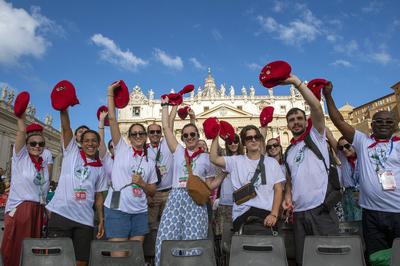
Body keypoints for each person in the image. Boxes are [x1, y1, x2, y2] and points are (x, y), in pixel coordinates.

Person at [323, 82, 400, 260]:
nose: (383, 125)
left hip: (398, 212)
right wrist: (328, 96)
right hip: (371, 213)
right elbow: (339, 121)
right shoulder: (362, 142)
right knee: (378, 258)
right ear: (371, 125)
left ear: (394, 125)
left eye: (389, 122)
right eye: (379, 121)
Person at [282, 75, 339, 265]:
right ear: (287, 125)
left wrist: (296, 83)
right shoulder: (289, 151)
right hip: (299, 214)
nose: (296, 122)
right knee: (304, 260)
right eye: (292, 120)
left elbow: (316, 108)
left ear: (306, 121)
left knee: (329, 259)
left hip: (321, 209)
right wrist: (288, 197)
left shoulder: (316, 136)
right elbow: (290, 180)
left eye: (299, 118)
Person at [154, 96, 217, 266]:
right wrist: (166, 104)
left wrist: (224, 174)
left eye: (192, 134)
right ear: (182, 138)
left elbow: (210, 185)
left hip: (196, 201)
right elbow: (166, 127)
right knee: (166, 237)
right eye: (186, 135)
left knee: (195, 240)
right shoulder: (178, 151)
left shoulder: (206, 158)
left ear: (198, 136)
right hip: (176, 197)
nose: (189, 137)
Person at [46, 108, 108, 266]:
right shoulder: (71, 153)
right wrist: (63, 108)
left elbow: (99, 196)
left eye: (94, 140)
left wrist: (100, 219)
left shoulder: (100, 168)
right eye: (86, 140)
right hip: (61, 215)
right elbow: (66, 128)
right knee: (56, 260)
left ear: (98, 144)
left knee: (82, 261)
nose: (90, 143)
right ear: (80, 142)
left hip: (85, 220)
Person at [105, 82, 157, 249]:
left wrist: (142, 183)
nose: (138, 136)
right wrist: (110, 94)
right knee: (119, 256)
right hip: (117, 208)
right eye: (134, 133)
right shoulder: (121, 149)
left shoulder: (150, 160)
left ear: (146, 136)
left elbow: (152, 191)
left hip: (140, 211)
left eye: (141, 133)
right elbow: (112, 118)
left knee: (134, 256)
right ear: (128, 137)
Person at [210, 125, 285, 232]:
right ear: (244, 142)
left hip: (266, 213)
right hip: (242, 214)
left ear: (260, 140)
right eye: (249, 138)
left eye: (256, 137)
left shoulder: (272, 163)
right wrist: (216, 134)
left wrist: (274, 214)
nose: (253, 140)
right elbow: (213, 158)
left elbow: (278, 189)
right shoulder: (235, 161)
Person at [1, 114, 50, 266]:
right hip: (21, 208)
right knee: (16, 249)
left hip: (37, 209)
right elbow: (21, 133)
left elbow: (43, 189)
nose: (37, 146)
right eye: (33, 143)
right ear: (26, 145)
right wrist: (21, 117)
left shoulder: (43, 165)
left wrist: (45, 208)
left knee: (31, 251)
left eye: (40, 144)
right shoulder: (21, 158)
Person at [214, 134, 243, 236]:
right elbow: (215, 151)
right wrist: (216, 134)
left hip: (240, 203)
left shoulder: (245, 157)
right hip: (225, 203)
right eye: (230, 142)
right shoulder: (224, 158)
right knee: (224, 236)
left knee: (239, 236)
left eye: (235, 141)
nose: (233, 144)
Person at [337, 136, 362, 222]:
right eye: (341, 147)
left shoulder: (364, 159)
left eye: (347, 146)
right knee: (351, 225)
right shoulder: (343, 158)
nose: (344, 149)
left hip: (364, 194)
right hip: (348, 195)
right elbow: (330, 137)